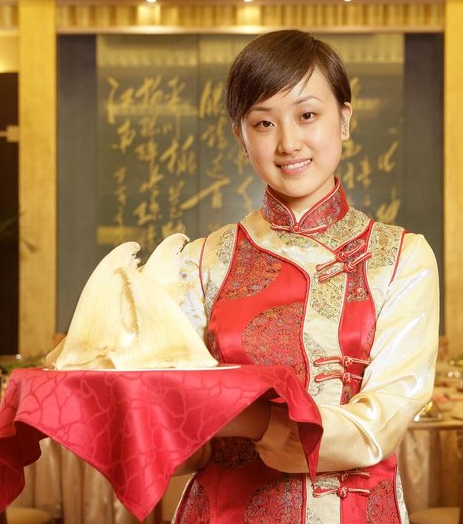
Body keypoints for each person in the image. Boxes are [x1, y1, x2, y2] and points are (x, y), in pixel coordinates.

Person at [170, 30, 439, 523]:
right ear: (241, 137)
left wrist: (262, 423)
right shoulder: (201, 262)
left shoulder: (401, 258)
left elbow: (386, 416)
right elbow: (180, 430)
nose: (289, 142)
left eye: (307, 115)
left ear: (345, 119)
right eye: (263, 123)